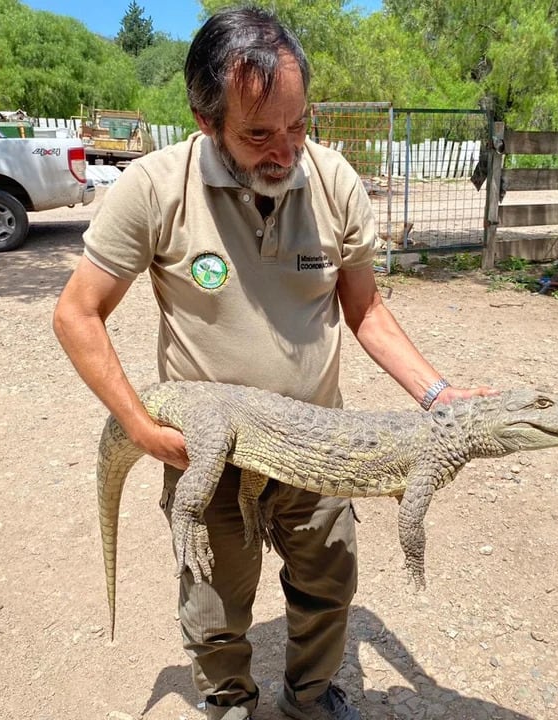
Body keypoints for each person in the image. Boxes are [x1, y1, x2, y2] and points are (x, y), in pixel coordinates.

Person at [52, 6, 491, 719]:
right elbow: (77, 313)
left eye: (298, 125)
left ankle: (310, 700)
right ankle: (229, 702)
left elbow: (366, 311)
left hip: (321, 440)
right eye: (259, 133)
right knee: (215, 599)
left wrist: (437, 394)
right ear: (204, 117)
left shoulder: (335, 181)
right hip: (212, 446)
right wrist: (137, 424)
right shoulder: (155, 188)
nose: (286, 150)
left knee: (329, 582)